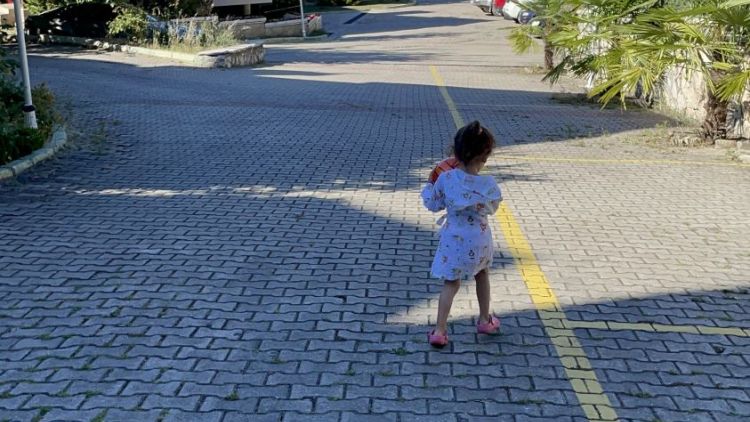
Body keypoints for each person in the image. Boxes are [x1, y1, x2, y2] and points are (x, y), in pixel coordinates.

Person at [421, 120, 503, 348]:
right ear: (485, 156)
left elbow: (433, 204)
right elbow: (493, 208)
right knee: (482, 274)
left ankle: (439, 331)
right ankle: (485, 320)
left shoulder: (446, 178)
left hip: (453, 240)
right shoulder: (488, 184)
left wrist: (428, 186)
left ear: (455, 152)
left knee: (451, 283)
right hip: (479, 240)